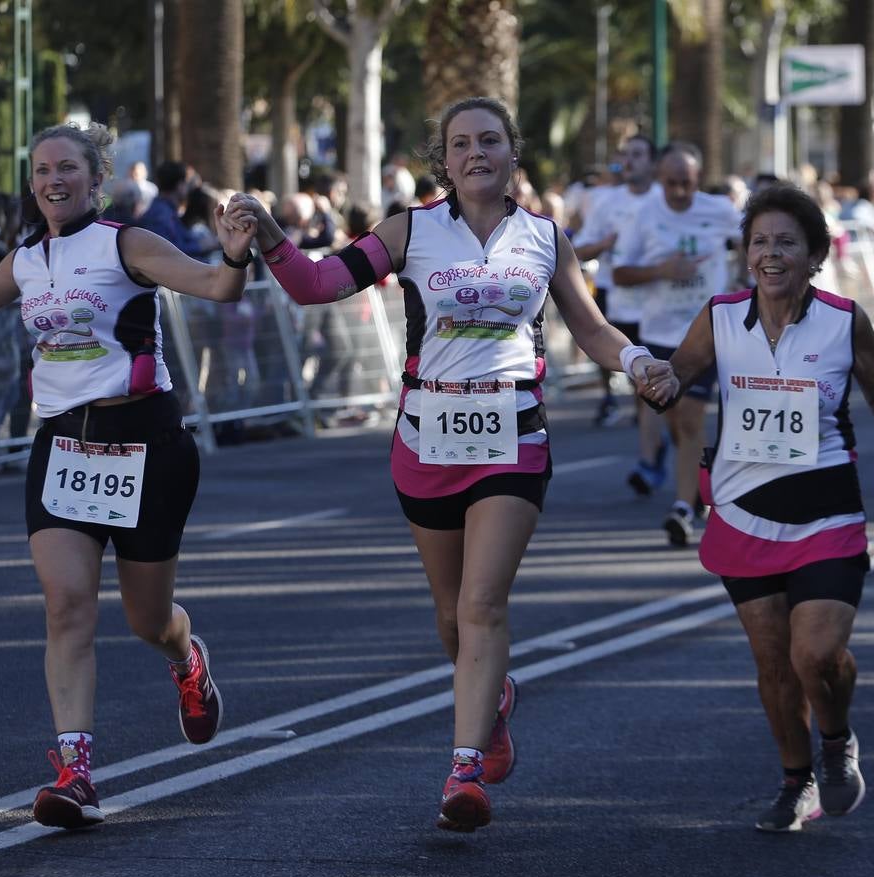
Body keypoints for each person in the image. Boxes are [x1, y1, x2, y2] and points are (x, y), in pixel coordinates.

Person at [226, 96, 673, 833]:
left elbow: (589, 326)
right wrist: (273, 235)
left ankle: (463, 771)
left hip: (512, 435)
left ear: (512, 153)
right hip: (426, 437)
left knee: (481, 605)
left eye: (489, 141)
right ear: (445, 160)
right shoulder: (409, 231)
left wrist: (634, 360)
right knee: (449, 615)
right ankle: (492, 702)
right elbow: (316, 285)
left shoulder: (544, 238)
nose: (476, 154)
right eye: (461, 143)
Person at [0, 121, 254, 828]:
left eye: (68, 169)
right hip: (63, 449)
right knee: (67, 605)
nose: (53, 180)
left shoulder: (127, 243)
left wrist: (235, 255)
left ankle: (186, 659)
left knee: (148, 620)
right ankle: (75, 770)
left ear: (96, 180)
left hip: (146, 443)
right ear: (33, 183)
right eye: (42, 169)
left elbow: (217, 287)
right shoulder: (29, 259)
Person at [657, 182, 874, 832]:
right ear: (746, 253)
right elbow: (677, 377)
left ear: (814, 256)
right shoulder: (721, 316)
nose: (771, 254)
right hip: (743, 511)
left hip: (827, 512)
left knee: (817, 654)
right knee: (774, 664)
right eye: (760, 242)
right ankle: (795, 778)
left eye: (786, 243)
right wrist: (655, 380)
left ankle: (835, 740)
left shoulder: (843, 319)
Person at [612, 141, 740, 546]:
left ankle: (683, 508)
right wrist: (660, 270)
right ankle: (701, 484)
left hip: (705, 332)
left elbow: (753, 241)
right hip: (658, 335)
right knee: (675, 420)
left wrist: (746, 280)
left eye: (687, 183)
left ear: (698, 179)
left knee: (689, 419)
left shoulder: (719, 211)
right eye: (672, 183)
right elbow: (619, 273)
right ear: (659, 180)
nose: (680, 191)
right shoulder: (643, 214)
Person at [573, 134, 659, 427]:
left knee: (646, 356)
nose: (629, 161)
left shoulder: (663, 199)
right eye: (626, 154)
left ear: (652, 162)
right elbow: (580, 248)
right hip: (613, 288)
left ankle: (645, 412)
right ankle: (608, 396)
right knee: (607, 346)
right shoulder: (606, 202)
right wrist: (605, 244)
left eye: (638, 154)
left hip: (654, 295)